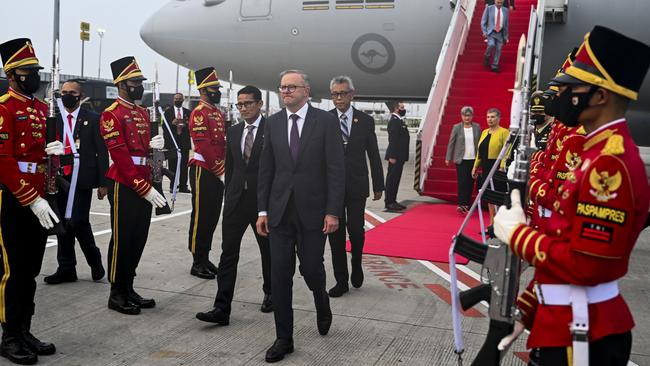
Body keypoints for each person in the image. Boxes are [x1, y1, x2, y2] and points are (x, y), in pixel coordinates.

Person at [494, 26, 650, 366]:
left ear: (601, 96)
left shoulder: (608, 165)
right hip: (565, 321)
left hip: (582, 335)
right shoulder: (597, 154)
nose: (562, 93)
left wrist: (517, 235)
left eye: (573, 86)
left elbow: (587, 264)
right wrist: (530, 306)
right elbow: (566, 239)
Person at [256, 70, 345, 363]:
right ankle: (284, 338)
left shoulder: (326, 121)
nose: (285, 92)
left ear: (306, 90)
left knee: (311, 269)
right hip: (280, 213)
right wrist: (263, 210)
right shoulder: (273, 122)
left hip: (313, 213)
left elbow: (335, 170)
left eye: (291, 87)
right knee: (280, 275)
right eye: (282, 87)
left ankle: (321, 299)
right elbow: (266, 169)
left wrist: (333, 211)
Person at [0, 37, 61, 365]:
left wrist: (57, 155)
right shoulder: (3, 108)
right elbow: (4, 160)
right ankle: (9, 336)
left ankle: (25, 329)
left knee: (32, 269)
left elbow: (41, 156)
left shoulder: (40, 109)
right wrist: (31, 199)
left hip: (40, 198)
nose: (35, 76)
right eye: (29, 71)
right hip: (14, 198)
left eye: (36, 70)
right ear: (12, 75)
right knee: (13, 270)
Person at [195, 85, 273, 325]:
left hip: (263, 203)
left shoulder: (272, 130)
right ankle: (221, 308)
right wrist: (228, 194)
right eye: (240, 104)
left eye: (248, 103)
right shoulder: (235, 131)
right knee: (228, 254)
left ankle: (271, 293)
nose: (243, 108)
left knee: (268, 252)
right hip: (236, 201)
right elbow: (231, 166)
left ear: (260, 104)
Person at [100, 56, 168, 315]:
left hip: (144, 181)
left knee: (138, 237)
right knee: (122, 238)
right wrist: (143, 187)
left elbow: (145, 153)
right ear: (122, 84)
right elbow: (120, 156)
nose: (140, 86)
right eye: (135, 82)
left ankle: (129, 287)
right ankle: (116, 292)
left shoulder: (141, 112)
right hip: (125, 183)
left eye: (140, 81)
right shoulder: (111, 114)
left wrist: (156, 150)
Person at [43, 80, 108, 285]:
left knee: (79, 221)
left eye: (72, 92)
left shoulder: (93, 118)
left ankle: (94, 260)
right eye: (64, 92)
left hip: (82, 179)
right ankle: (66, 268)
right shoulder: (54, 119)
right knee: (61, 223)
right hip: (59, 177)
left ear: (81, 96)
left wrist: (103, 182)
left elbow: (101, 152)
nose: (67, 95)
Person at [327, 76, 384, 298]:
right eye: (334, 94)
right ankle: (341, 279)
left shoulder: (365, 121)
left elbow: (373, 154)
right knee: (335, 233)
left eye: (342, 93)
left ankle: (357, 264)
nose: (338, 98)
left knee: (356, 230)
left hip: (357, 184)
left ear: (352, 94)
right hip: (332, 187)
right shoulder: (326, 119)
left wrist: (378, 184)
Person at [187, 67, 226, 280]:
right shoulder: (199, 113)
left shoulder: (216, 112)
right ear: (203, 90)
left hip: (216, 171)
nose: (217, 91)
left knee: (211, 216)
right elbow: (204, 146)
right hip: (204, 170)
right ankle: (196, 259)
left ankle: (205, 255)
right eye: (214, 88)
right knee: (201, 216)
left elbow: (221, 144)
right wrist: (220, 170)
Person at [472, 108, 509, 227]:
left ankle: (497, 223)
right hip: (486, 166)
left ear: (499, 118)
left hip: (497, 167)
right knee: (488, 195)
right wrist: (475, 167)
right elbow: (480, 152)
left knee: (496, 195)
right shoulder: (484, 132)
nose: (490, 119)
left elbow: (506, 151)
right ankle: (491, 222)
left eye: (493, 117)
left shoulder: (504, 132)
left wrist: (502, 166)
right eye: (488, 117)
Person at [445, 106, 481, 214]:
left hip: (473, 159)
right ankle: (461, 204)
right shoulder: (457, 127)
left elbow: (479, 142)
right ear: (461, 116)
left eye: (469, 115)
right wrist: (448, 157)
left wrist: (481, 158)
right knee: (462, 182)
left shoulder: (476, 127)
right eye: (464, 115)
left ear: (472, 116)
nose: (466, 118)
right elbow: (451, 143)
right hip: (461, 159)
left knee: (470, 182)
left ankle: (467, 204)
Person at [163, 93, 191, 193]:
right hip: (172, 144)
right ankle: (173, 186)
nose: (177, 100)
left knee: (184, 166)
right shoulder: (167, 112)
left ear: (183, 100)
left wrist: (186, 125)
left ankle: (183, 186)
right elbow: (164, 128)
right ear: (173, 100)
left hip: (184, 143)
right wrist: (172, 124)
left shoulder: (188, 112)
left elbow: (192, 127)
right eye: (176, 99)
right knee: (172, 166)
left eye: (179, 99)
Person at [384, 101, 409, 212]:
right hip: (395, 156)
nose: (403, 109)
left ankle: (393, 200)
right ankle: (389, 202)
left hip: (399, 156)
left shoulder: (399, 120)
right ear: (396, 109)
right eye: (402, 107)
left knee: (396, 179)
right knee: (392, 180)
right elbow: (393, 140)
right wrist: (392, 156)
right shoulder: (394, 121)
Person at [481, 0, 509, 73]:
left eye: (501, 3)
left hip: (500, 33)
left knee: (499, 49)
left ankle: (495, 66)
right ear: (495, 1)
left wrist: (506, 37)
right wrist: (484, 32)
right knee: (491, 44)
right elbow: (483, 22)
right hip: (491, 32)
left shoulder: (505, 10)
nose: (499, 4)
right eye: (498, 2)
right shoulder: (489, 8)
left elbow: (506, 25)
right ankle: (487, 56)